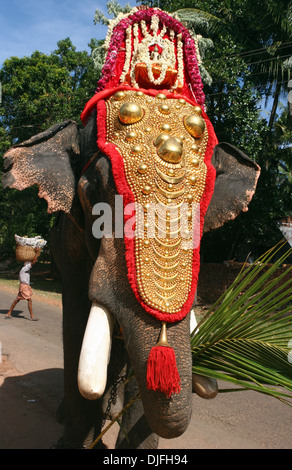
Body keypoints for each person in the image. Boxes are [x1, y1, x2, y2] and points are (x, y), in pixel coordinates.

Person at [5, 248, 41, 321]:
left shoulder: (24, 269)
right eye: (29, 264)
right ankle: (32, 316)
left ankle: (8, 313)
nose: (31, 265)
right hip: (24, 286)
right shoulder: (25, 269)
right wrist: (37, 253)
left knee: (17, 300)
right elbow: (33, 262)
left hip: (24, 286)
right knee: (29, 300)